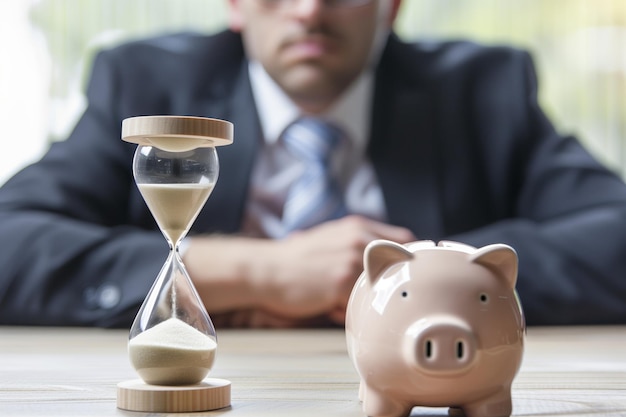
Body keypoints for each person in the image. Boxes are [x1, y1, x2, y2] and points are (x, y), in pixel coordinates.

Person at [0, 0, 625, 328]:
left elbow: (615, 238)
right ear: (236, 3)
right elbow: (12, 242)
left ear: (392, 4)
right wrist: (258, 272)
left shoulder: (483, 90)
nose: (309, 10)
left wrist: (409, 278)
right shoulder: (147, 84)